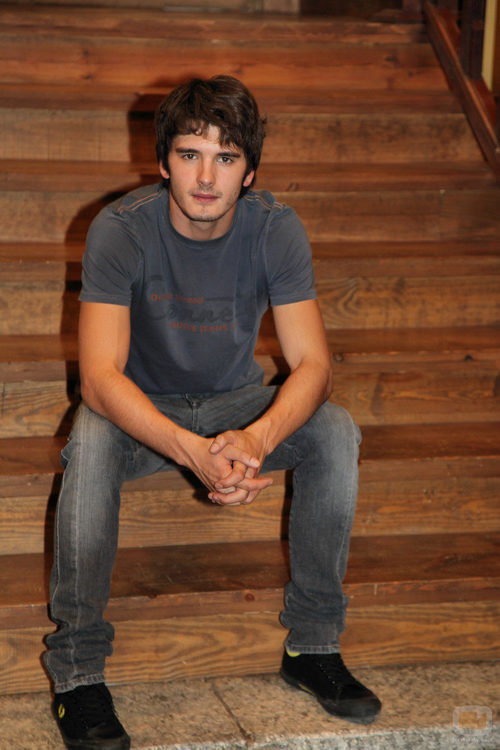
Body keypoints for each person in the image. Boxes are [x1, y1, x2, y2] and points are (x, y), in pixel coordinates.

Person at [44, 75, 381, 750]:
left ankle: (312, 646)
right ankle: (78, 674)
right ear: (162, 161)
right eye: (190, 154)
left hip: (234, 402)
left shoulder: (275, 229)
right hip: (142, 411)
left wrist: (254, 438)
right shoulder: (121, 230)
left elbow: (314, 366)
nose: (205, 177)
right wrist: (191, 450)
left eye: (225, 157)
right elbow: (101, 380)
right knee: (91, 438)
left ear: (248, 172)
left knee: (334, 430)